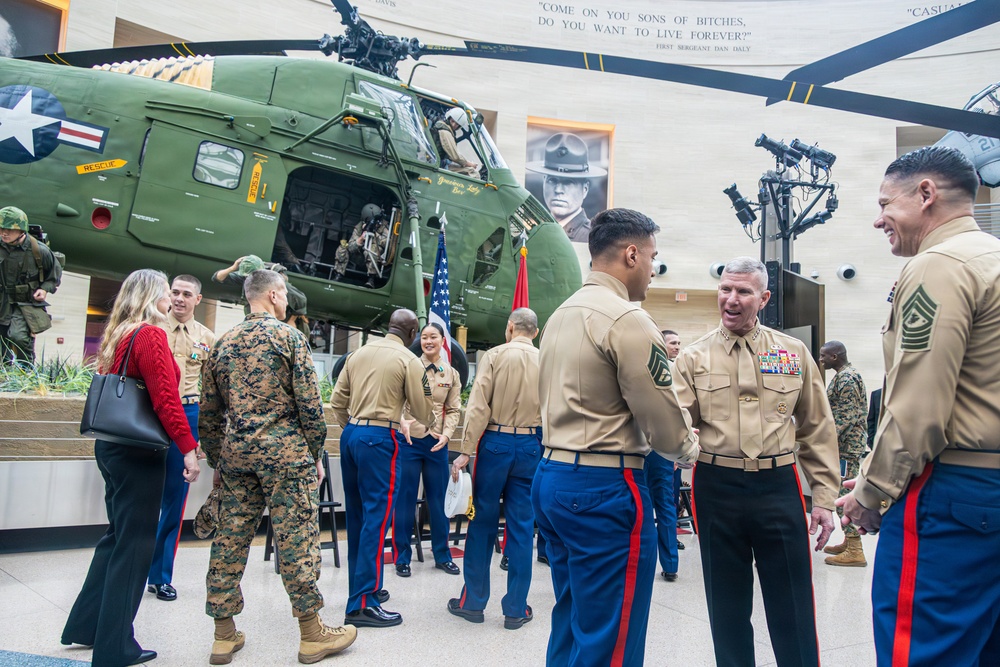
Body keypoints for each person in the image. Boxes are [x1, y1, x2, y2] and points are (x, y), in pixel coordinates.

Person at [838, 146, 1000, 666]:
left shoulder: (939, 266)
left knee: (922, 650)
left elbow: (918, 405)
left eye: (886, 203)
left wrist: (871, 490)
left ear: (926, 193)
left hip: (953, 498)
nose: (878, 217)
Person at [534, 209, 699, 666]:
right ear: (631, 254)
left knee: (572, 618)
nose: (652, 268)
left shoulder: (559, 316)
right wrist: (691, 449)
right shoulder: (627, 318)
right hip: (603, 489)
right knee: (612, 632)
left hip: (551, 475)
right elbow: (663, 422)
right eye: (651, 257)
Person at [673, 256, 839, 667]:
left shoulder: (792, 352)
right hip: (717, 487)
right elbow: (673, 423)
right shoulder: (692, 358)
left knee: (793, 604)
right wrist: (686, 449)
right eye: (725, 289)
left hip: (778, 486)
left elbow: (817, 427)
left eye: (743, 291)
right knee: (726, 607)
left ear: (763, 298)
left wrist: (823, 499)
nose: (731, 299)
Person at [200, 268, 356, 664]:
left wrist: (220, 459)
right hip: (286, 457)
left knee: (230, 539)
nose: (285, 301)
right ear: (273, 295)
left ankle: (223, 635)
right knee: (296, 539)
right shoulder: (289, 338)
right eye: (284, 295)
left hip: (237, 456)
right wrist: (315, 455)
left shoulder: (222, 343)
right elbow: (309, 406)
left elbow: (209, 414)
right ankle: (311, 633)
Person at [61, 269, 201, 667]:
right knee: (135, 544)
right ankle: (115, 647)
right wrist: (188, 448)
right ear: (152, 295)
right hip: (139, 453)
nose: (171, 299)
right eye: (166, 292)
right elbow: (165, 400)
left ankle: (86, 627)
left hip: (111, 447)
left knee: (116, 537)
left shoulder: (119, 333)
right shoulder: (151, 335)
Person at [330, 309, 435, 628]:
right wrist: (424, 422)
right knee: (377, 519)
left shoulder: (357, 353)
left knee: (358, 518)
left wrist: (357, 429)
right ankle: (362, 604)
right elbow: (422, 408)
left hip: (351, 436)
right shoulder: (409, 360)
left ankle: (363, 589)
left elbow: (337, 402)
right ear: (413, 332)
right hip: (381, 438)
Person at [447, 308, 542, 630]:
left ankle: (472, 602)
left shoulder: (494, 356)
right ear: (536, 332)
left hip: (495, 444)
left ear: (510, 328)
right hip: (532, 446)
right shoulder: (546, 361)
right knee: (522, 527)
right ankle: (516, 608)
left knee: (482, 523)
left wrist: (465, 452)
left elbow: (477, 406)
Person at [146, 275, 216, 603]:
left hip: (187, 413)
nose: (179, 299)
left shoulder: (207, 338)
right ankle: (136, 566)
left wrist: (202, 436)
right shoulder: (153, 327)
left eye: (187, 294)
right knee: (144, 494)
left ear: (197, 300)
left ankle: (160, 576)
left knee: (176, 499)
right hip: (150, 412)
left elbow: (212, 390)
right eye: (174, 292)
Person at [393, 322, 462, 578]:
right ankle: (402, 557)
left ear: (443, 340)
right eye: (424, 337)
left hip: (436, 444)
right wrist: (401, 420)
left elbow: (454, 410)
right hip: (409, 442)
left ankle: (442, 555)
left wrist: (446, 435)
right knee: (405, 500)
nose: (428, 341)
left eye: (433, 336)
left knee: (438, 501)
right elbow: (397, 400)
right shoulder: (409, 367)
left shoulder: (451, 374)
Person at [818, 340, 868, 567]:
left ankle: (855, 549)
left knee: (842, 495)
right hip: (847, 445)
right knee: (842, 492)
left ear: (835, 356)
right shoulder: (846, 374)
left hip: (846, 447)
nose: (821, 360)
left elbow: (846, 417)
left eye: (824, 356)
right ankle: (850, 541)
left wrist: (825, 441)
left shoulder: (846, 378)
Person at [0, 205, 62, 364]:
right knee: (2, 339)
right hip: (1, 300)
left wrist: (44, 289)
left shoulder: (39, 250)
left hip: (24, 302)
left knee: (18, 337)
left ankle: (25, 371)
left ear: (21, 230)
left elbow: (53, 276)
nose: (4, 233)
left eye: (9, 229)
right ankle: (4, 372)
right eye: (0, 228)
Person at [646, 328, 683, 581]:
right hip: (662, 448)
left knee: (643, 506)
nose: (677, 347)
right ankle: (670, 564)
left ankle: (645, 560)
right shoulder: (673, 372)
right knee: (665, 504)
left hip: (642, 447)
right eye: (673, 342)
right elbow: (680, 413)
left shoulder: (639, 367)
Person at [525, 133, 607, 243]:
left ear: (585, 189)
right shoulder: (533, 232)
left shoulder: (591, 238)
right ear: (544, 181)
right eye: (552, 180)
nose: (558, 190)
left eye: (569, 182)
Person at [213, 255, 310, 337]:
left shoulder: (273, 281)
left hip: (290, 323)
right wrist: (233, 268)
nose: (247, 278)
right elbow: (217, 278)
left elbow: (301, 299)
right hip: (266, 325)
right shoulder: (248, 278)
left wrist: (291, 321)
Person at [344, 204, 391, 288]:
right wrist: (361, 238)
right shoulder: (359, 227)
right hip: (360, 258)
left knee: (371, 250)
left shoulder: (384, 226)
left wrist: (375, 235)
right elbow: (350, 247)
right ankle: (338, 274)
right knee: (342, 249)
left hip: (376, 257)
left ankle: (371, 279)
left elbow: (388, 243)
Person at [432, 108, 480, 177]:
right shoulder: (445, 131)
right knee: (473, 172)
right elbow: (455, 157)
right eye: (452, 121)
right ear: (449, 119)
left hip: (440, 162)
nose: (454, 125)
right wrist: (470, 164)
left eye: (457, 124)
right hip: (439, 164)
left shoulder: (445, 129)